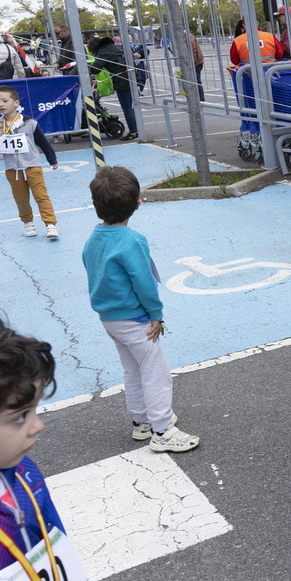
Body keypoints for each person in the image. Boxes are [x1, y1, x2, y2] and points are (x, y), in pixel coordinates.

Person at [81, 166, 199, 453]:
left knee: (132, 369)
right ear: (136, 203)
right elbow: (144, 283)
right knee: (155, 372)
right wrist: (156, 314)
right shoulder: (133, 241)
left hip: (110, 320)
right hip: (136, 320)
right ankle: (162, 430)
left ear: (96, 205)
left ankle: (142, 422)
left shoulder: (93, 239)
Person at [0, 316, 103, 581]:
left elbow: (59, 552)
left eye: (34, 410)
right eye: (20, 416)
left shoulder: (24, 473)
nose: (38, 425)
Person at [0, 85, 59, 240]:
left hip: (32, 166)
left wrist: (52, 159)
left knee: (41, 195)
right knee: (20, 198)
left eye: (5, 100)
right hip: (12, 169)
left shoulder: (30, 122)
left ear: (16, 103)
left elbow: (42, 142)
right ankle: (28, 223)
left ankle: (50, 224)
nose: (1, 105)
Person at [88, 36, 138, 140]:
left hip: (122, 81)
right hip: (132, 78)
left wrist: (87, 66)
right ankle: (137, 129)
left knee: (127, 107)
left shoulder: (103, 52)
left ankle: (133, 132)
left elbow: (95, 69)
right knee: (132, 106)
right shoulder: (116, 47)